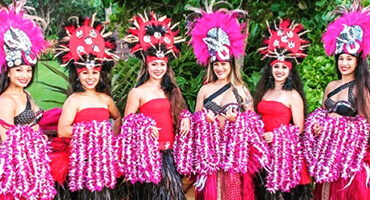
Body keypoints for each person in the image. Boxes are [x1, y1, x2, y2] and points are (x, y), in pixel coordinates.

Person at [188, 2, 267, 199]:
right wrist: (201, 120)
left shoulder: (241, 91)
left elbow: (255, 127)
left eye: (224, 64)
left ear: (231, 65)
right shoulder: (205, 90)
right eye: (216, 65)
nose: (220, 68)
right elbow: (195, 123)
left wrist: (237, 121)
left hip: (233, 159)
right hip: (210, 158)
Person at [117, 11, 189, 200]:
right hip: (150, 158)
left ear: (167, 67)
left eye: (162, 65)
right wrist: (144, 125)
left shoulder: (171, 90)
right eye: (154, 64)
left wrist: (187, 119)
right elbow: (127, 125)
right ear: (147, 66)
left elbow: (180, 112)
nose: (158, 68)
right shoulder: (138, 92)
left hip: (170, 154)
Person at [50, 14, 121, 200]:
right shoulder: (74, 100)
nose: (90, 77)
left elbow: (118, 117)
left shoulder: (105, 99)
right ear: (77, 75)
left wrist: (111, 137)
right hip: (82, 159)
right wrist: (92, 131)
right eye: (85, 73)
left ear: (100, 74)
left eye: (94, 73)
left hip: (104, 159)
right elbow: (63, 130)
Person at [304, 2, 370, 200]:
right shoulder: (331, 86)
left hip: (348, 163)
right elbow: (322, 114)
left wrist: (337, 129)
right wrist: (316, 127)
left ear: (358, 61)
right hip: (327, 158)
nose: (344, 63)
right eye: (341, 58)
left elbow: (365, 126)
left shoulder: (361, 90)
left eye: (349, 59)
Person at [0, 1, 55, 199]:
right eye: (19, 70)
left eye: (29, 70)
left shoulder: (26, 95)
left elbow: (35, 125)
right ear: (8, 71)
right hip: (16, 172)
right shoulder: (5, 101)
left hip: (33, 165)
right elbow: (6, 143)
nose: (25, 75)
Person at [254, 19, 312, 199]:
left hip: (284, 155)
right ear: (270, 69)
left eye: (284, 68)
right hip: (264, 152)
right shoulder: (264, 91)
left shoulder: (293, 95)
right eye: (276, 67)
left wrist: (277, 135)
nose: (279, 70)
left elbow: (299, 128)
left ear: (290, 71)